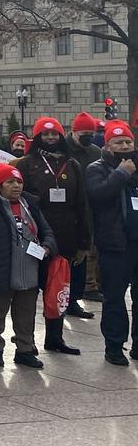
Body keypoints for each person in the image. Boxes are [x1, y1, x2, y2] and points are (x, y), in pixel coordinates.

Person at [0, 163, 57, 369]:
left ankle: (24, 350)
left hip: (29, 270)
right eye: (10, 182)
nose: (16, 186)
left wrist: (46, 247)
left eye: (19, 182)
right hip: (0, 270)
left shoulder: (31, 204)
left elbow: (48, 232)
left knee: (26, 314)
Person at [15, 117, 92, 354]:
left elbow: (82, 204)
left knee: (58, 289)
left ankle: (55, 338)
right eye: (45, 135)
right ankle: (26, 343)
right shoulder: (26, 164)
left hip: (65, 238)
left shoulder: (72, 165)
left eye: (55, 134)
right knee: (28, 293)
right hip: (34, 237)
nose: (51, 138)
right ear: (37, 138)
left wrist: (84, 242)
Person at [85, 122, 138, 366]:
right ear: (108, 146)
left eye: (128, 141)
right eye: (119, 142)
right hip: (116, 244)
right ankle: (114, 346)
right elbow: (98, 195)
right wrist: (121, 173)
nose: (125, 146)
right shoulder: (98, 168)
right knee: (115, 298)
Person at [67, 112, 104, 303]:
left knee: (91, 250)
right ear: (74, 132)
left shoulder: (96, 152)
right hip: (69, 209)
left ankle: (86, 288)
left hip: (91, 206)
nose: (88, 136)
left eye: (92, 132)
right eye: (84, 132)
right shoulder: (63, 149)